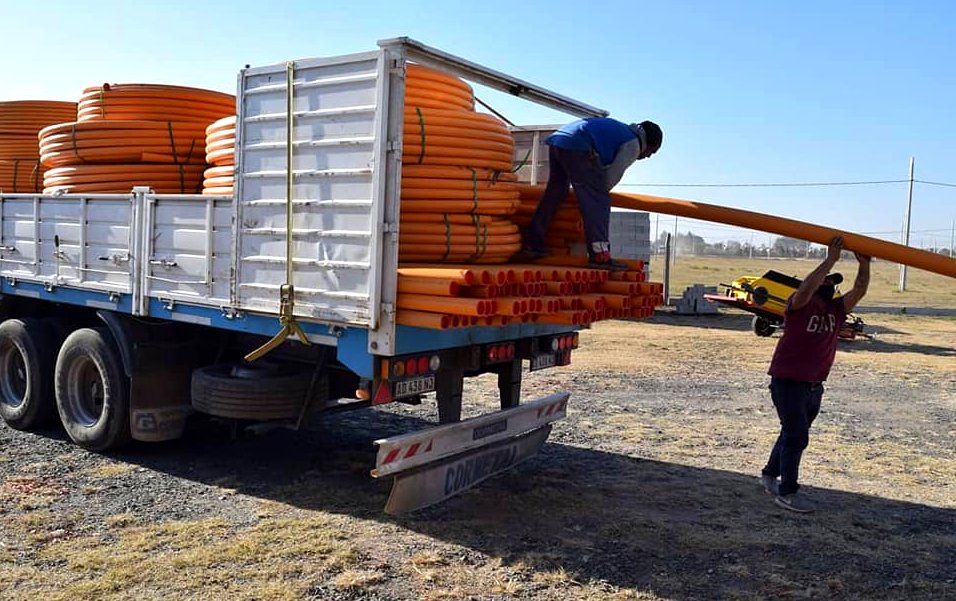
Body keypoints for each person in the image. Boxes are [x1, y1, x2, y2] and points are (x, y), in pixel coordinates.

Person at [760, 236, 871, 513]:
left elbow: (859, 289)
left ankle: (769, 475)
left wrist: (864, 264)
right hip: (788, 381)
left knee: (792, 432)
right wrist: (829, 259)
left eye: (833, 282)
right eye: (826, 280)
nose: (830, 284)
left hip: (813, 386)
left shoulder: (836, 309)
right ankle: (788, 492)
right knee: (797, 435)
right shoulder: (798, 305)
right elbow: (806, 288)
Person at [517, 118, 663, 270]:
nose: (648, 156)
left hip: (559, 140)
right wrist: (594, 181)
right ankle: (600, 255)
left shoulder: (621, 131)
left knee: (556, 192)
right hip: (579, 145)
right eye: (652, 152)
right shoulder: (633, 144)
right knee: (598, 198)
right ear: (649, 143)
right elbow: (607, 183)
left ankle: (533, 242)